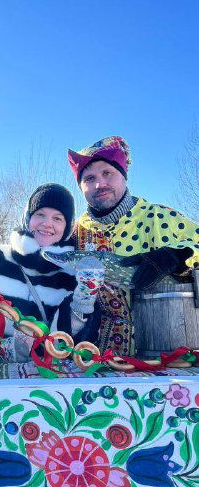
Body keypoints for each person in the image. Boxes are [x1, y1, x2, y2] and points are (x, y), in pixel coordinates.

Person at [0, 183, 101, 362]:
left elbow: (77, 346)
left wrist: (82, 304)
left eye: (57, 218)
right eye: (40, 214)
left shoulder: (72, 275)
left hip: (48, 382)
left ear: (67, 228)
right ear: (27, 218)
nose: (47, 224)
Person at [68, 135, 199, 353]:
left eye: (107, 173)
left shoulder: (159, 217)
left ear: (123, 176)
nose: (100, 184)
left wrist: (178, 256)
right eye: (89, 178)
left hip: (171, 358)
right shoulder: (77, 233)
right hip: (99, 361)